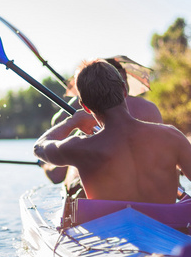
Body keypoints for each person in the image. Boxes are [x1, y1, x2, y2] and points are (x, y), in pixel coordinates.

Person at [33, 59, 191, 223]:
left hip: (112, 239)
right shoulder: (171, 137)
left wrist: (72, 121)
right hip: (169, 230)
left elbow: (39, 148)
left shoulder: (81, 148)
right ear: (125, 90)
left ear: (85, 106)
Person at [41, 57, 162, 189]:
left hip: (98, 186)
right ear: (124, 86)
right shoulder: (152, 110)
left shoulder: (80, 137)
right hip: (148, 183)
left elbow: (54, 125)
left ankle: (47, 165)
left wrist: (75, 118)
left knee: (56, 171)